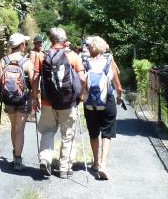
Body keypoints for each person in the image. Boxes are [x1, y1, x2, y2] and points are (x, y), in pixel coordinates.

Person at [37, 27, 86, 178]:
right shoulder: (72, 56)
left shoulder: (42, 56)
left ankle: (45, 159)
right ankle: (64, 169)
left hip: (47, 102)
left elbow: (35, 79)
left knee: (47, 131)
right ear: (64, 40)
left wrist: (34, 96)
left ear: (50, 40)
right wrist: (81, 95)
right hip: (67, 101)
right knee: (68, 135)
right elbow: (83, 79)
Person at [82, 36, 124, 180]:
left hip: (89, 103)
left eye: (89, 46)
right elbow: (118, 85)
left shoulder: (85, 63)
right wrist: (119, 97)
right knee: (107, 133)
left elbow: (82, 83)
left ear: (93, 48)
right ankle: (103, 165)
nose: (87, 48)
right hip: (107, 101)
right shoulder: (108, 62)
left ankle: (95, 162)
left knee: (93, 132)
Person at [0, 33, 34, 171]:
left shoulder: (3, 61)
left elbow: (0, 82)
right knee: (20, 129)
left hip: (8, 99)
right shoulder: (27, 62)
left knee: (14, 127)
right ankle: (18, 160)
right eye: (24, 43)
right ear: (21, 45)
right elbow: (33, 82)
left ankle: (15, 154)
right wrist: (35, 96)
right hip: (23, 99)